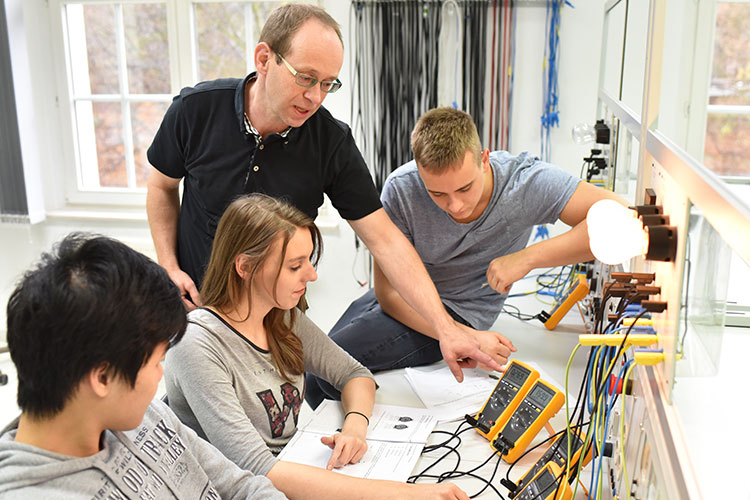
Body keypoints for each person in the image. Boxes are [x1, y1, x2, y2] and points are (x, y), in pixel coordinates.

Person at [146, 4, 507, 382]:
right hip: (195, 310)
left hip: (275, 321)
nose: (316, 97)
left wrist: (447, 329)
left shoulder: (331, 142)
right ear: (265, 58)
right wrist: (169, 266)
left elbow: (386, 241)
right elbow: (161, 187)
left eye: (328, 84)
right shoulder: (195, 110)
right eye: (306, 78)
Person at [305, 107, 623, 408]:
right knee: (315, 366)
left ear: (484, 160)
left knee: (325, 372)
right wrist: (466, 338)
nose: (455, 205)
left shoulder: (525, 183)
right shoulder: (402, 188)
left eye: (465, 188)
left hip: (460, 311)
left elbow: (620, 217)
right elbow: (388, 294)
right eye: (438, 194)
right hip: (405, 301)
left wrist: (527, 259)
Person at [162, 194, 468, 500]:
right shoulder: (196, 345)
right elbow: (258, 469)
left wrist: (355, 427)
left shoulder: (282, 317)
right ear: (245, 266)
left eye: (309, 260)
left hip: (292, 470)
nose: (312, 274)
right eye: (295, 266)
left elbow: (355, 374)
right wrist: (406, 494)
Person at [0, 233, 286, 500]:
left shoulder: (142, 413)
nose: (161, 374)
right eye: (155, 362)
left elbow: (245, 486)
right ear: (102, 378)